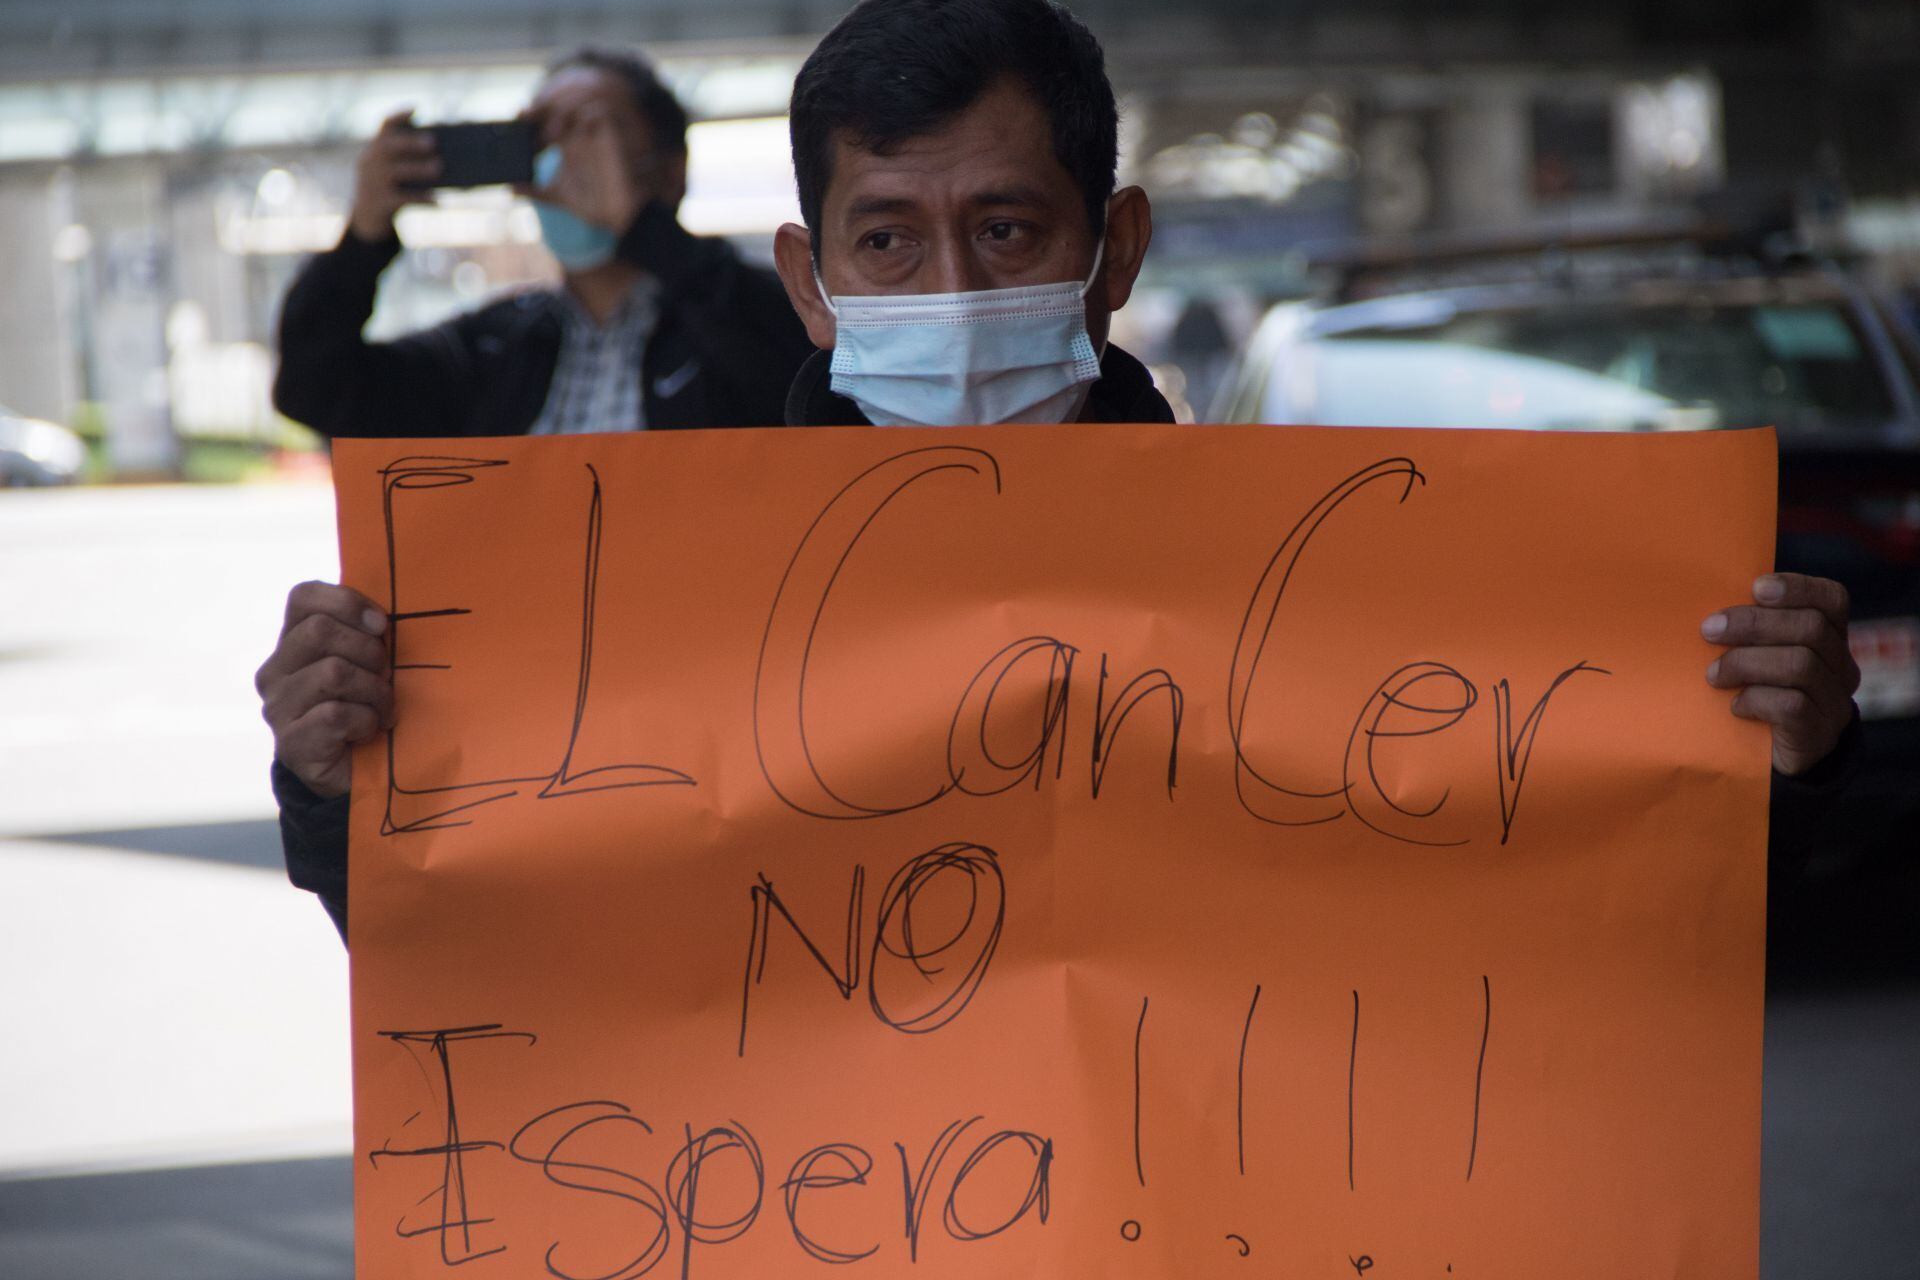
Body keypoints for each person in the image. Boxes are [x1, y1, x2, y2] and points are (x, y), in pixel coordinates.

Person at [260, 0, 1860, 938]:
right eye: (890, 240)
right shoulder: (671, 614)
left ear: (1117, 253)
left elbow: (1582, 919)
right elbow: (492, 940)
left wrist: (1770, 765)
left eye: (1008, 230)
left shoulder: (1310, 588)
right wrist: (337, 784)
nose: (950, 292)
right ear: (812, 285)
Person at [273, 45, 813, 439]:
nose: (563, 162)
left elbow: (799, 375)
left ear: (672, 171)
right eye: (543, 139)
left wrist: (642, 226)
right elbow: (315, 387)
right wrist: (363, 240)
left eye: (591, 132)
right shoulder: (499, 348)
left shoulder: (742, 311)